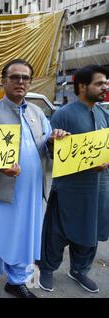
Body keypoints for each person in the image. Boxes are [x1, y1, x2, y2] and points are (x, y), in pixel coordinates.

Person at [0, 59, 68, 298]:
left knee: (26, 236)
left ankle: (16, 281)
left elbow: (47, 146)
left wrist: (53, 139)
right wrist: (0, 168)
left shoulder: (38, 113)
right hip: (1, 191)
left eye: (25, 78)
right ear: (3, 81)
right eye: (15, 77)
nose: (20, 82)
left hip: (32, 191)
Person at [38, 65, 109, 293]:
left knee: (90, 231)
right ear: (82, 86)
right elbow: (51, 152)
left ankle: (80, 270)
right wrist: (53, 140)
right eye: (99, 83)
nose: (105, 87)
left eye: (106, 83)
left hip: (99, 188)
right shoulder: (64, 114)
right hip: (69, 188)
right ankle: (47, 268)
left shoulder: (103, 114)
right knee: (57, 232)